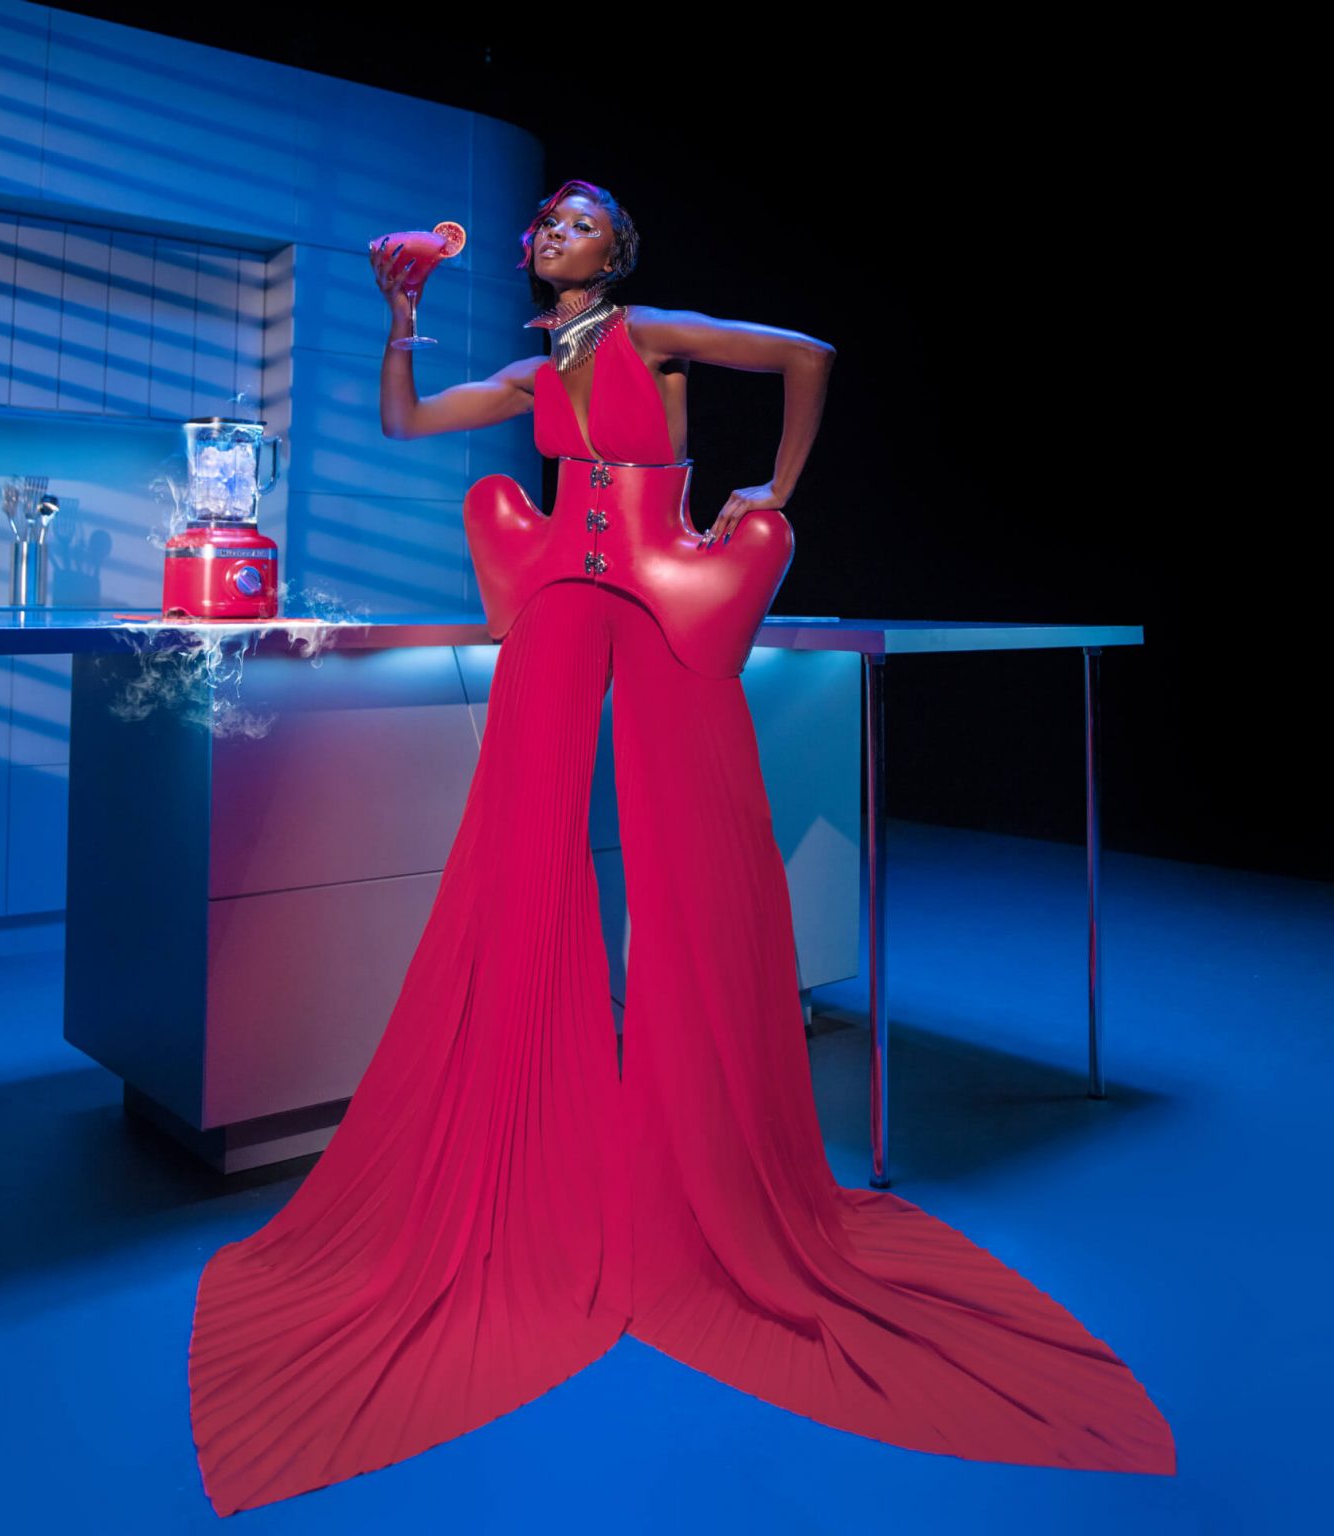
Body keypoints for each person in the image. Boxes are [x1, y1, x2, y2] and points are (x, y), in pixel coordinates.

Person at [187, 179, 1176, 1517]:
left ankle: (705, 1180)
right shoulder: (532, 363)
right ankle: (522, 1175)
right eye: (543, 224)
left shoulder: (651, 332)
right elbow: (405, 420)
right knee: (512, 851)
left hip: (663, 595)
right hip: (553, 601)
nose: (553, 234)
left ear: (619, 250)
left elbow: (806, 358)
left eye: (578, 221)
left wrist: (770, 487)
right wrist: (399, 318)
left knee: (697, 857)